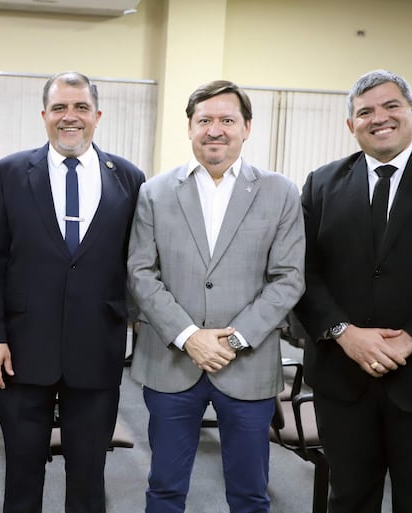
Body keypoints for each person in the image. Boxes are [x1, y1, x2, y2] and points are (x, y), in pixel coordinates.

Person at [127, 80, 305, 513]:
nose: (215, 130)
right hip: (172, 365)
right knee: (164, 489)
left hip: (247, 364)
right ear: (189, 128)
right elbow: (141, 272)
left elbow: (288, 277)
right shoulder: (155, 191)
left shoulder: (280, 191)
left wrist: (234, 338)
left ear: (246, 128)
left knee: (249, 494)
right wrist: (190, 336)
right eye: (204, 120)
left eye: (227, 120)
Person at [0, 71, 145, 513]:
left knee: (89, 479)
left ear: (97, 115)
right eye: (59, 108)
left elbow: (139, 262)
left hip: (97, 349)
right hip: (21, 351)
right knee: (22, 475)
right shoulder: (10, 172)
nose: (70, 117)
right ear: (44, 116)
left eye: (80, 108)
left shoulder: (129, 178)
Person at [294, 69, 412, 513]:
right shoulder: (322, 183)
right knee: (349, 498)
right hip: (343, 378)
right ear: (350, 124)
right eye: (365, 112)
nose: (379, 118)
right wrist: (345, 332)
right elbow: (302, 272)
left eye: (391, 106)